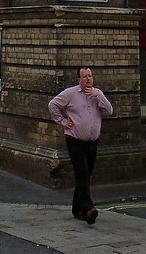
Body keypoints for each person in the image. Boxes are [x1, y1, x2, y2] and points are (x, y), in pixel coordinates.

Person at [48, 66, 113, 225]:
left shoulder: (98, 94)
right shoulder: (70, 94)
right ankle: (88, 209)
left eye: (90, 76)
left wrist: (99, 97)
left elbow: (109, 111)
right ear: (79, 80)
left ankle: (76, 208)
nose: (88, 79)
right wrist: (63, 121)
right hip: (75, 141)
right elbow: (52, 105)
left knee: (85, 176)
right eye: (85, 77)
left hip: (92, 143)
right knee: (82, 173)